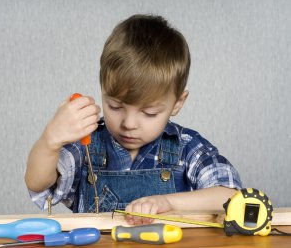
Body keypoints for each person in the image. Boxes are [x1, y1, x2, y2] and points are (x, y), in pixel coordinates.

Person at [25, 14, 242, 225]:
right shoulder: (87, 146)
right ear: (102, 91)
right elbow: (39, 184)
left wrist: (167, 202)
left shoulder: (186, 147)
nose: (129, 123)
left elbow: (231, 197)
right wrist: (50, 140)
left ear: (177, 103)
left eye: (149, 113)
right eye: (115, 106)